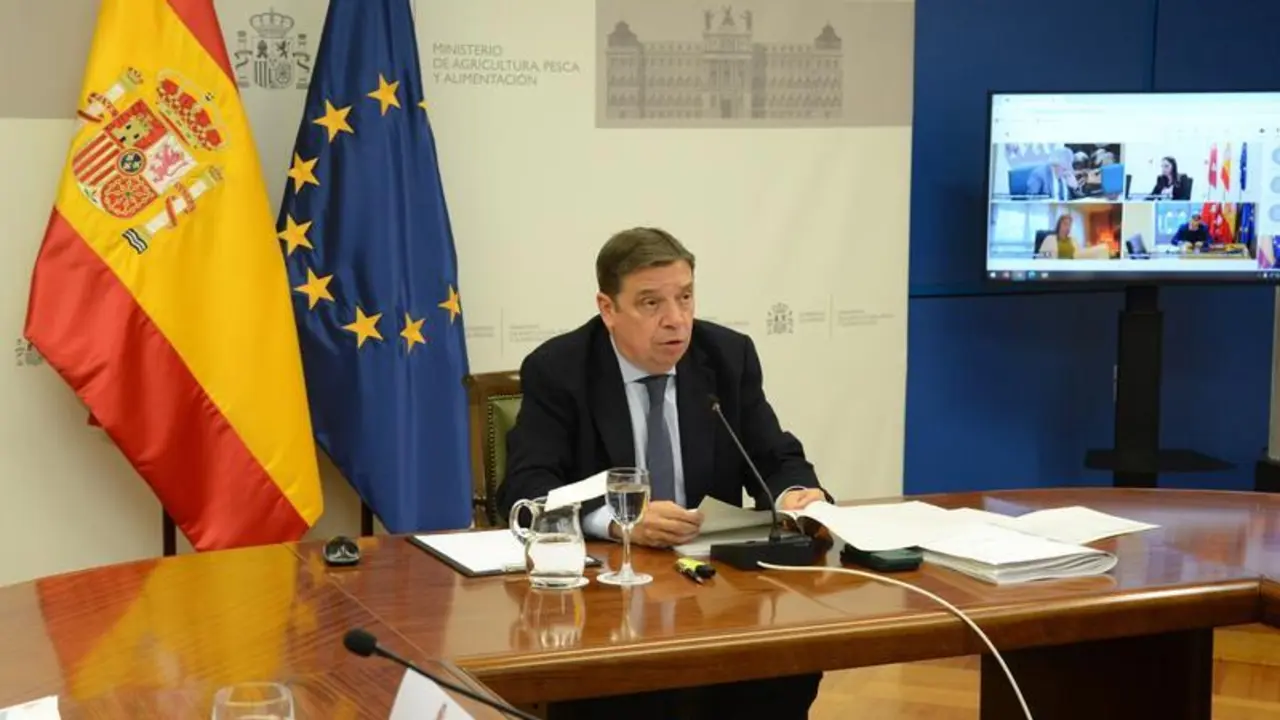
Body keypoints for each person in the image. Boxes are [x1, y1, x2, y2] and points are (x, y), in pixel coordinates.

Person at [496, 226, 828, 719]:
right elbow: (527, 487)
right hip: (605, 604)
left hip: (714, 590)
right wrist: (618, 520)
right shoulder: (559, 369)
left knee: (789, 664)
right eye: (651, 303)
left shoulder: (727, 356)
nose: (676, 319)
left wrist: (795, 494)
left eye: (685, 297)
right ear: (608, 308)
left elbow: (775, 457)